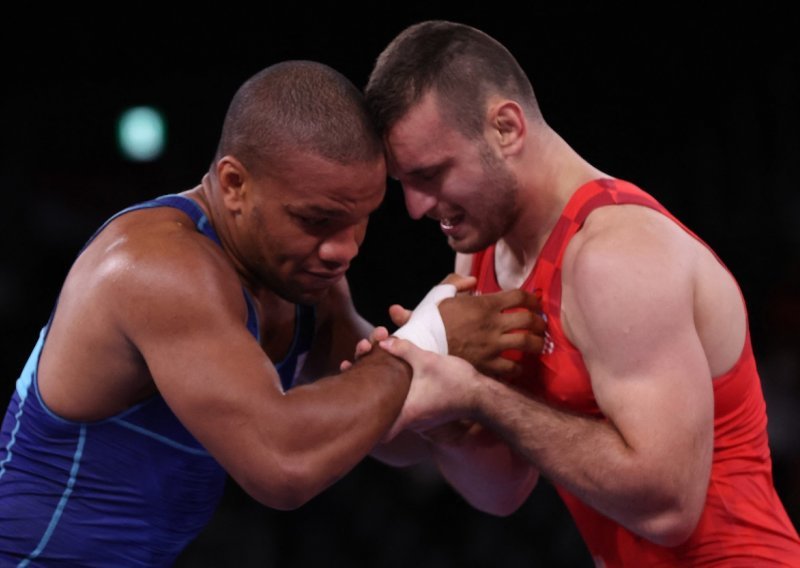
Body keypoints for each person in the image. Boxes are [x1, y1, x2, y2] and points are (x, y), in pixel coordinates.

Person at [0, 59, 543, 566]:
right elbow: (282, 465)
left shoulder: (302, 278)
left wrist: (454, 387)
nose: (344, 249)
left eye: (361, 219)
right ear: (235, 185)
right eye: (317, 219)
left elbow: (385, 433)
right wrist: (426, 343)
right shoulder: (159, 269)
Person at [362, 20, 800, 566]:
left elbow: (669, 506)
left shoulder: (616, 255)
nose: (416, 207)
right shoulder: (480, 255)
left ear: (506, 128)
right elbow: (501, 493)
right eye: (404, 182)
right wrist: (449, 418)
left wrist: (479, 394)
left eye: (430, 174)